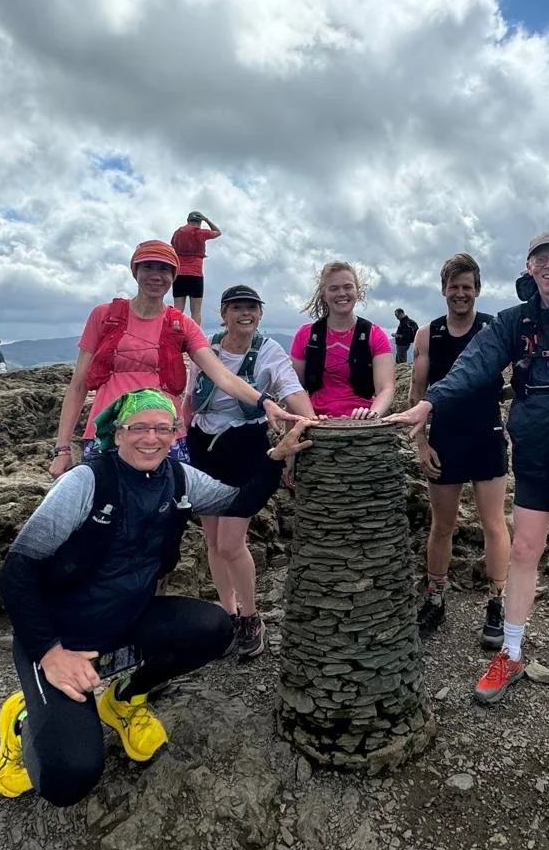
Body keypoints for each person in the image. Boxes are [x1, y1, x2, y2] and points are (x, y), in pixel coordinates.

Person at [0, 389, 312, 805]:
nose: (151, 438)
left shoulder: (177, 478)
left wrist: (276, 456)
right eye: (138, 427)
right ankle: (20, 719)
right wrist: (51, 653)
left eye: (163, 428)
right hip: (60, 637)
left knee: (215, 629)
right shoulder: (86, 482)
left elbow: (240, 501)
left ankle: (122, 700)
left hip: (126, 620)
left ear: (175, 433)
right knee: (68, 777)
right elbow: (17, 572)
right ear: (118, 433)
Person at [388, 231, 549, 704]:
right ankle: (511, 651)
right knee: (525, 549)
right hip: (533, 448)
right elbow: (474, 366)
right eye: (540, 259)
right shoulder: (513, 322)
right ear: (529, 267)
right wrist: (429, 404)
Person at [48, 240, 291, 479]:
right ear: (135, 272)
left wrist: (264, 402)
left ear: (174, 275)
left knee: (165, 514)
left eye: (164, 268)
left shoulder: (182, 325)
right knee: (106, 512)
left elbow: (222, 375)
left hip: (163, 435)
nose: (156, 275)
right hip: (110, 432)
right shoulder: (103, 316)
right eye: (148, 267)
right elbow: (78, 385)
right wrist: (62, 448)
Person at [187, 284, 317, 659]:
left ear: (260, 314)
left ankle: (251, 616)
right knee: (212, 541)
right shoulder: (206, 349)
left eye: (253, 308)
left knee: (230, 542)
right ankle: (228, 614)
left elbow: (291, 389)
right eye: (238, 308)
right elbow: (190, 398)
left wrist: (308, 421)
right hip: (202, 446)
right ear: (224, 314)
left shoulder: (269, 352)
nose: (246, 314)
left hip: (244, 449)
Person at [406, 254, 510, 649]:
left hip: (487, 434)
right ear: (444, 290)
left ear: (478, 290)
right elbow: (417, 391)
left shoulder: (493, 329)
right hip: (445, 438)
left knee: (493, 524)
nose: (461, 294)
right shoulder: (427, 334)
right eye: (454, 287)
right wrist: (421, 443)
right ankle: (435, 598)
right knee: (442, 525)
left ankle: (497, 603)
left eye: (468, 287)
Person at [290, 261, 396, 419]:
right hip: (315, 421)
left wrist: (372, 414)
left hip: (362, 421)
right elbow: (293, 389)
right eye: (333, 288)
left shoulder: (375, 334)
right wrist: (307, 422)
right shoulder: (305, 335)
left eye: (347, 287)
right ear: (324, 295)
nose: (341, 293)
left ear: (357, 291)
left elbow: (386, 388)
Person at [171, 211, 223, 321]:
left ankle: (174, 334)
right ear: (200, 221)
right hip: (195, 274)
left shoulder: (177, 233)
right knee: (196, 311)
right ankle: (194, 337)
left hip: (179, 273)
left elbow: (173, 246)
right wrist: (207, 220)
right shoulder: (199, 232)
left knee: (177, 309)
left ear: (188, 220)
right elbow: (218, 232)